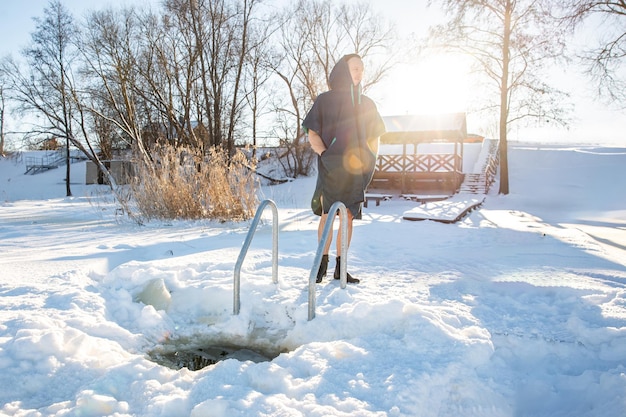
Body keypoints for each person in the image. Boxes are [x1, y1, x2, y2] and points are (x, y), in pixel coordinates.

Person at [302, 53, 386, 284]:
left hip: (358, 170)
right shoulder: (325, 100)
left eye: (362, 69)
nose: (359, 73)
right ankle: (321, 265)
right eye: (354, 68)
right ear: (342, 70)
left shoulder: (367, 104)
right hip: (331, 168)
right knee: (328, 215)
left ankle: (341, 268)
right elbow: (312, 132)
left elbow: (375, 137)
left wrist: (370, 160)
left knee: (348, 217)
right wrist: (325, 155)